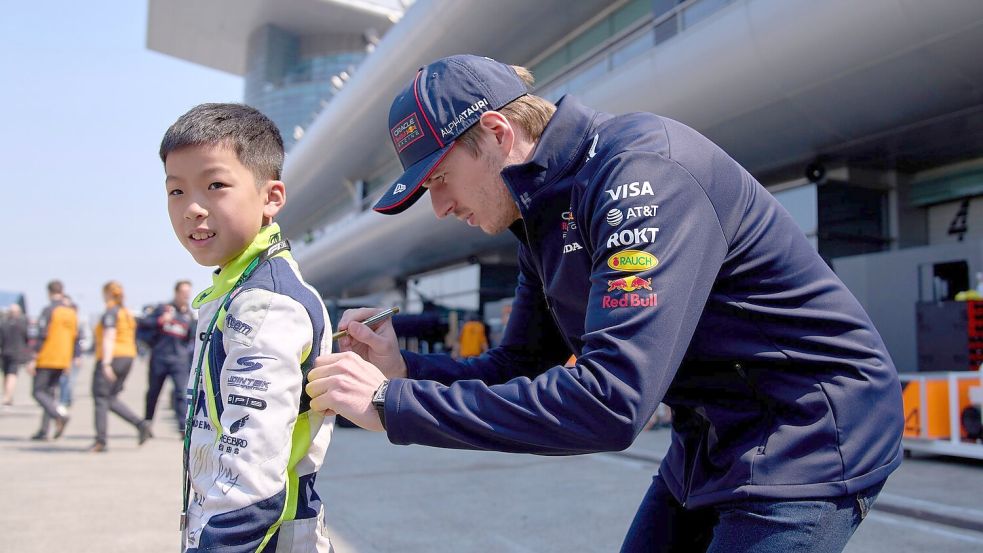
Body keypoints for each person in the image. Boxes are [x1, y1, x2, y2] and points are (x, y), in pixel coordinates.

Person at [305, 55, 905, 552]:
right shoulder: (538, 213)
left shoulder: (641, 172)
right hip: (712, 436)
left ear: (495, 133)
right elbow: (517, 367)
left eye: (438, 180)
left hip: (807, 430)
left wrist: (391, 405)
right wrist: (403, 368)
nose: (439, 208)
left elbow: (612, 402)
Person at [160, 102, 334, 552]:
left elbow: (252, 484)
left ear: (271, 197)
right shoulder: (233, 290)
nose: (192, 208)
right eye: (176, 191)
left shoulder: (265, 305)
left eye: (216, 185)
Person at [88, 281, 150, 452]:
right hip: (127, 356)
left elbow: (109, 335)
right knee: (111, 398)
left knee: (101, 398)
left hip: (113, 356)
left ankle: (100, 441)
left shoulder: (111, 311)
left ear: (107, 293)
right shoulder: (126, 312)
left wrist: (106, 363)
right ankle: (140, 424)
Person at [139, 279, 196, 434]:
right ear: (176, 293)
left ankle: (182, 427)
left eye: (188, 293)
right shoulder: (164, 309)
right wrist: (160, 320)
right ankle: (147, 423)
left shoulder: (189, 315)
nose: (186, 296)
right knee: (153, 392)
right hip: (160, 357)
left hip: (179, 360)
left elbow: (192, 338)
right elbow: (143, 323)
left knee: (181, 393)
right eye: (183, 293)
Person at [28, 280, 77, 440]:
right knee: (50, 394)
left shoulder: (49, 310)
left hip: (47, 357)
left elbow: (42, 334)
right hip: (63, 358)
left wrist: (33, 357)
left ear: (49, 292)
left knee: (38, 392)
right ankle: (44, 430)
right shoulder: (71, 312)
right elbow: (74, 337)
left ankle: (58, 415)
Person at [1, 304, 30, 406]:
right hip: (16, 353)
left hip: (5, 352)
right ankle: (8, 396)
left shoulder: (3, 323)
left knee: (6, 374)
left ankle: (6, 394)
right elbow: (27, 338)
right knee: (12, 375)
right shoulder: (21, 323)